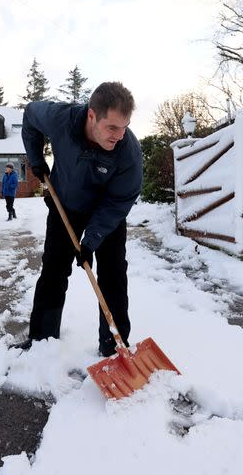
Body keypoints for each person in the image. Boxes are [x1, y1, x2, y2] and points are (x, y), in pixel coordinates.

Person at [15, 81, 142, 357]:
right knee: (53, 271)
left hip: (106, 212)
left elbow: (120, 200)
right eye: (112, 127)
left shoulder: (128, 152)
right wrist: (36, 160)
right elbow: (30, 115)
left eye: (125, 127)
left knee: (113, 276)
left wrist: (92, 239)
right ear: (91, 115)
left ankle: (115, 348)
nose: (119, 135)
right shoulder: (61, 119)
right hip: (66, 206)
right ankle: (42, 341)